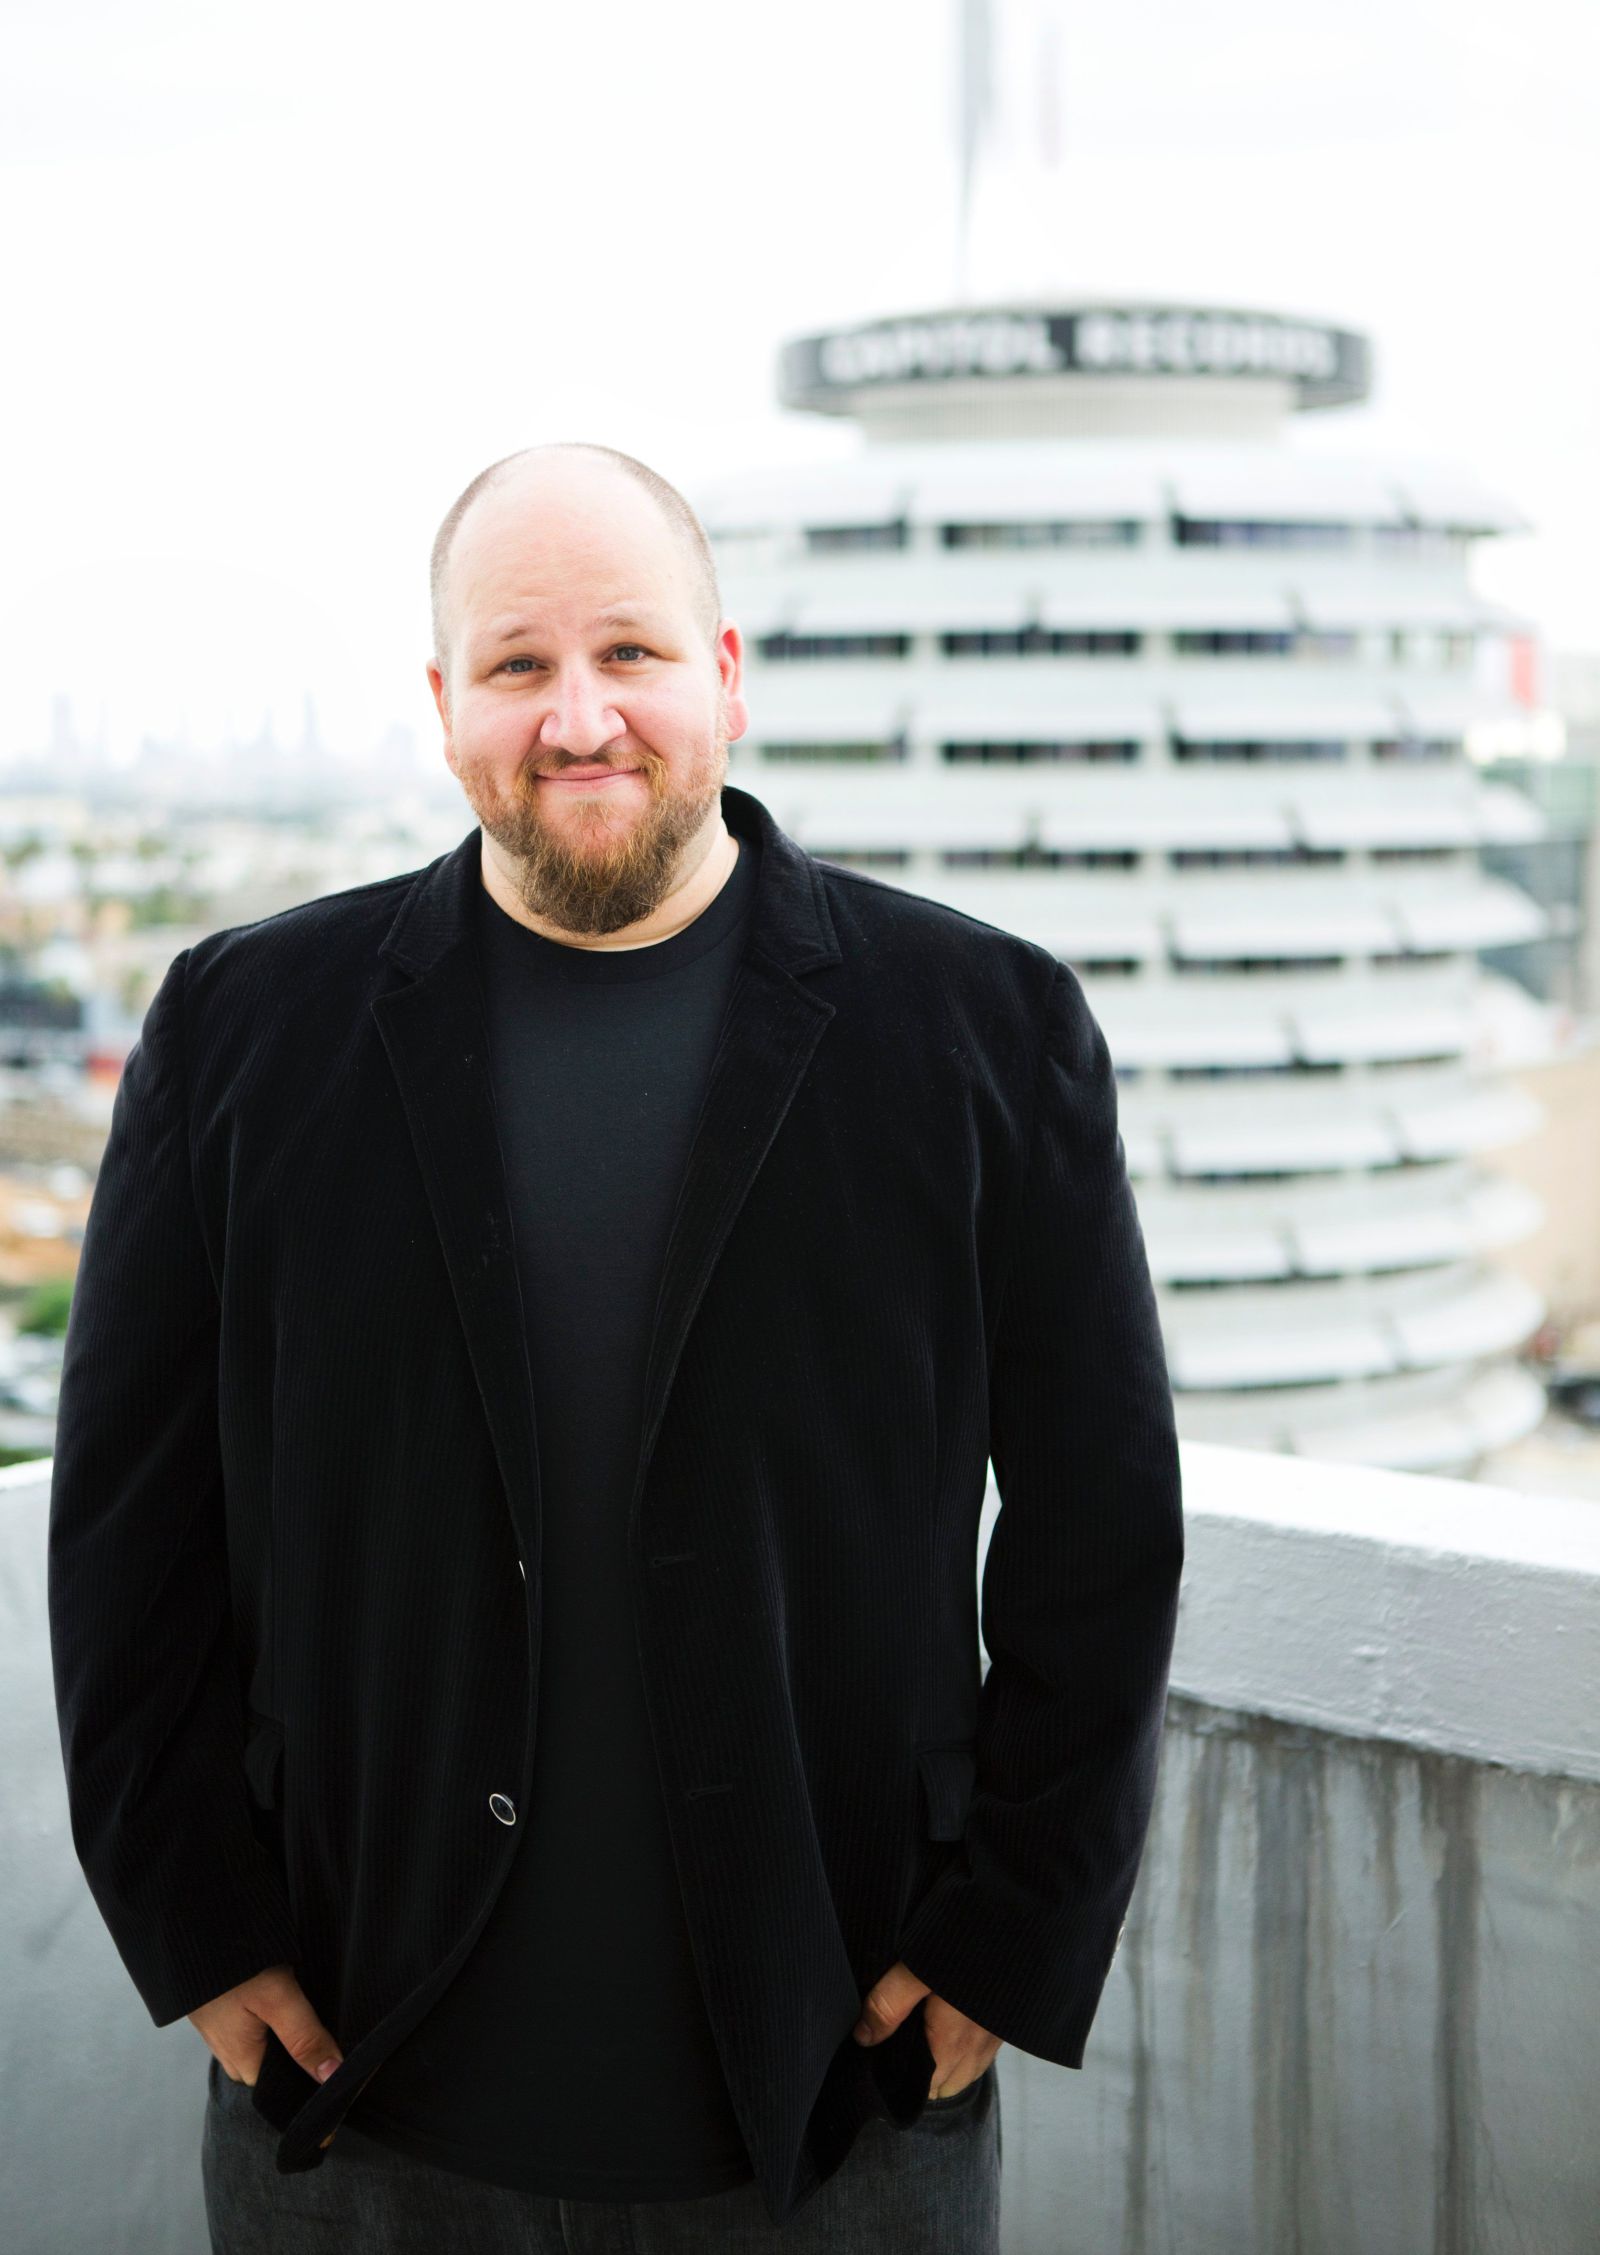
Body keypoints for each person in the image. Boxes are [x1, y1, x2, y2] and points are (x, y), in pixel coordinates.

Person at [47, 441, 1185, 2251]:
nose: (580, 718)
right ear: (444, 710)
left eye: (631, 655)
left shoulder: (987, 1031)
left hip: (830, 2109)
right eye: (516, 668)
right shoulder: (246, 1033)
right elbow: (127, 1530)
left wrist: (1014, 1935)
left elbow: (1100, 1537)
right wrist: (192, 1923)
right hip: (360, 2097)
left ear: (723, 673)